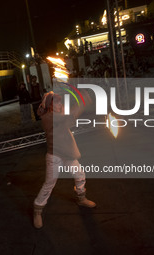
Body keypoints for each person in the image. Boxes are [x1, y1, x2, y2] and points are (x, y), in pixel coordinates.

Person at [33, 91, 96, 229]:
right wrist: (82, 101)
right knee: (49, 184)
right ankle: (37, 210)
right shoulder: (47, 118)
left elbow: (70, 118)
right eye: (57, 102)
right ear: (50, 105)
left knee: (80, 175)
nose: (60, 104)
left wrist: (79, 104)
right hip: (54, 156)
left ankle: (81, 198)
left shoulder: (59, 116)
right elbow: (69, 115)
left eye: (61, 102)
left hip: (67, 153)